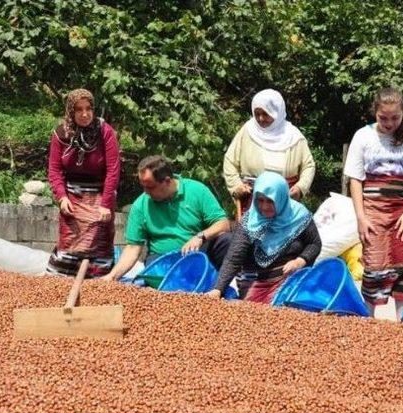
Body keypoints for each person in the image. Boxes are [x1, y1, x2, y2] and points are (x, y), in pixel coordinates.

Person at [343, 87, 403, 320]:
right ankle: (369, 321)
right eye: (383, 118)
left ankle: (402, 322)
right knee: (373, 265)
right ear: (375, 112)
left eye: (395, 117)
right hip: (374, 211)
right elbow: (355, 179)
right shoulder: (363, 136)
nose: (389, 123)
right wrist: (361, 218)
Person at [102, 155, 231, 281]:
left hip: (198, 253)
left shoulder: (197, 190)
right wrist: (112, 276)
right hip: (162, 259)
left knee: (227, 241)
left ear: (167, 181)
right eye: (143, 186)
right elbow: (132, 248)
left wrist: (200, 237)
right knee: (164, 280)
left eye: (150, 187)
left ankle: (222, 286)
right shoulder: (140, 205)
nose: (145, 192)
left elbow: (223, 224)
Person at [206, 171, 321, 303]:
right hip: (258, 283)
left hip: (293, 279)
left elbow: (315, 244)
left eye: (270, 201)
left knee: (305, 305)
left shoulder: (298, 216)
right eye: (260, 200)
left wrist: (300, 261)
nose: (264, 207)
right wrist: (218, 289)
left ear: (281, 198)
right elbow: (233, 259)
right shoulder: (250, 221)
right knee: (258, 313)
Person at [46, 88, 121, 277]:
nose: (85, 114)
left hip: (100, 196)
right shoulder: (61, 133)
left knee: (100, 250)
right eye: (78, 109)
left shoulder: (105, 132)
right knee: (68, 249)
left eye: (88, 108)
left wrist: (105, 205)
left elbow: (113, 169)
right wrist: (62, 197)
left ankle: (98, 287)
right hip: (73, 197)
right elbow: (55, 170)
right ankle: (59, 286)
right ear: (71, 111)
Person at [223, 89, 315, 215]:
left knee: (284, 233)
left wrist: (300, 188)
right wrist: (236, 186)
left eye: (265, 114)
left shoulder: (293, 136)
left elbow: (308, 166)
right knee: (252, 234)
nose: (260, 119)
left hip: (285, 200)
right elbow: (229, 161)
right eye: (257, 114)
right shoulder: (248, 131)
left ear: (276, 112)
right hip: (253, 200)